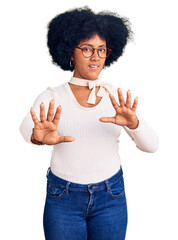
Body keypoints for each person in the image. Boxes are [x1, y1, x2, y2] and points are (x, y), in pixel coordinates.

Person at [19, 6, 159, 240]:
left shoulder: (117, 98)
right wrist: (37, 136)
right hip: (63, 199)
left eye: (101, 50)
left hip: (110, 198)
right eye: (87, 49)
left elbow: (152, 145)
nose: (95, 56)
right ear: (70, 53)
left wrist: (134, 124)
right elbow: (26, 128)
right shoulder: (53, 96)